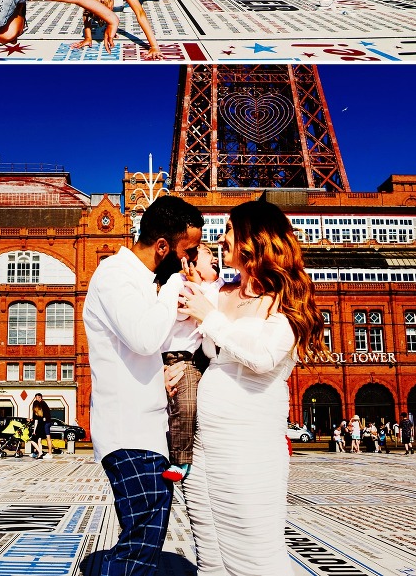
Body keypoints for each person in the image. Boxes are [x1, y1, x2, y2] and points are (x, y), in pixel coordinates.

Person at [178, 200, 324, 576]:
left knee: (256, 552)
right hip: (206, 443)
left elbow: (262, 357)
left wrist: (210, 319)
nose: (221, 238)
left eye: (228, 229)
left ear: (253, 239)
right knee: (209, 555)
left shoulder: (286, 299)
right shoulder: (221, 292)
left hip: (252, 444)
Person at [83, 195, 204, 576]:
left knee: (144, 542)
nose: (188, 261)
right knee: (139, 547)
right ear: (164, 247)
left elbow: (141, 350)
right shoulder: (115, 275)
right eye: (188, 252)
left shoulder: (137, 281)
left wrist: (158, 379)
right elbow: (144, 338)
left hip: (146, 431)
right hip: (128, 434)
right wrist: (174, 285)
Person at [160, 241, 223, 482]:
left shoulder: (214, 288)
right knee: (178, 409)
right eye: (209, 258)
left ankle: (187, 459)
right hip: (172, 359)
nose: (215, 260)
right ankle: (175, 457)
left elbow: (212, 309)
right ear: (190, 265)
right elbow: (179, 310)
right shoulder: (180, 283)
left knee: (192, 410)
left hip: (195, 361)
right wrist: (188, 283)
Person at [28, 393, 54, 459]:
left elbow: (44, 415)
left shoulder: (42, 404)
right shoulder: (42, 404)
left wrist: (44, 419)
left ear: (40, 398)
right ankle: (39, 453)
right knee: (40, 440)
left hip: (46, 423)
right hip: (45, 423)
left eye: (37, 398)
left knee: (48, 438)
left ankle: (49, 453)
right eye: (36, 398)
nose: (37, 400)